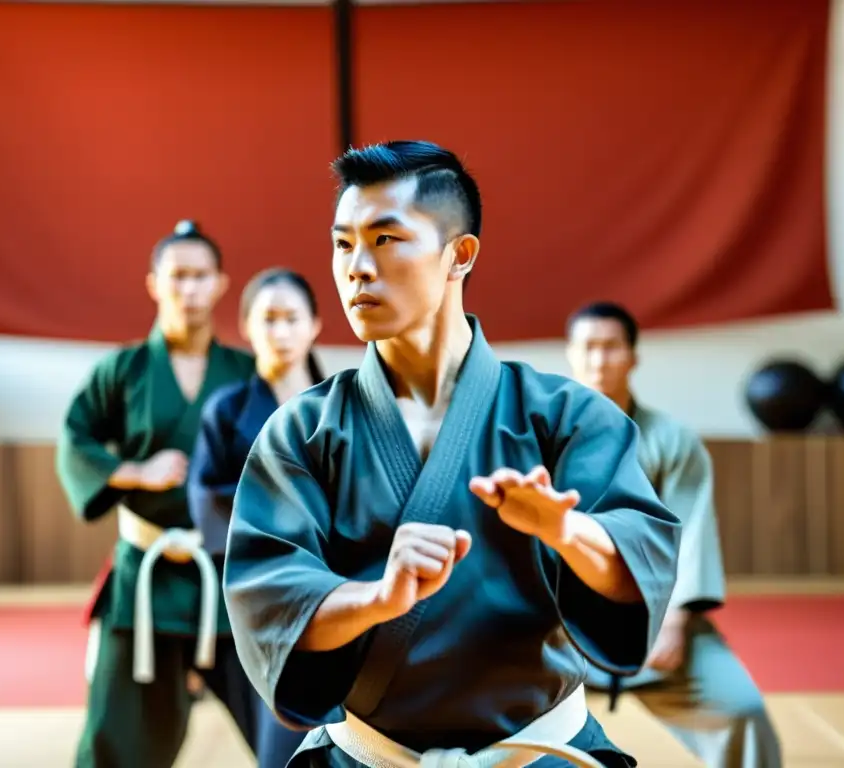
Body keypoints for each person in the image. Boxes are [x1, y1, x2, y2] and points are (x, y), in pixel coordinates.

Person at [222, 140, 682, 768]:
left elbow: (641, 559)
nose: (357, 266)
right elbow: (271, 599)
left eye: (385, 240)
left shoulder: (564, 416)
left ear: (458, 256)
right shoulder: (302, 432)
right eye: (342, 243)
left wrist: (565, 530)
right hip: (371, 757)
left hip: (539, 755)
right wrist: (379, 598)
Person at [56, 220, 259, 768]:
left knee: (289, 721)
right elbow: (75, 439)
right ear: (154, 283)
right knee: (116, 736)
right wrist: (132, 471)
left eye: (201, 277)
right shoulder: (122, 370)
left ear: (221, 284)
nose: (189, 289)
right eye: (178, 276)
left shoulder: (247, 372)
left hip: (229, 575)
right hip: (143, 577)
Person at [566, 301, 782, 768]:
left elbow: (693, 529)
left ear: (633, 356)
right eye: (588, 348)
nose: (599, 360)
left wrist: (676, 622)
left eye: (611, 347)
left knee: (740, 709)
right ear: (570, 354)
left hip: (654, 623)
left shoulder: (671, 439)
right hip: (559, 630)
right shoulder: (541, 431)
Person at [188, 268, 326, 767]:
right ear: (246, 326)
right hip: (269, 598)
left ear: (315, 325)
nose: (282, 331)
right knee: (283, 741)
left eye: (293, 318)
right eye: (269, 319)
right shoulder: (227, 410)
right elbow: (206, 500)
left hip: (348, 589)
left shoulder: (346, 403)